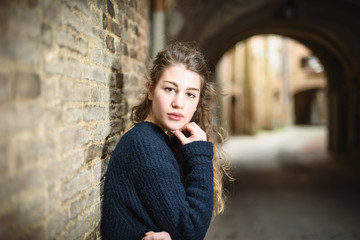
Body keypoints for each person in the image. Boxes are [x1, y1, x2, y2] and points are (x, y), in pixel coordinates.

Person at [101, 42, 231, 240]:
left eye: (190, 94)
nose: (178, 103)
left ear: (197, 104)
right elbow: (190, 231)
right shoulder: (145, 144)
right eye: (170, 89)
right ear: (151, 90)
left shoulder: (159, 140)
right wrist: (200, 156)